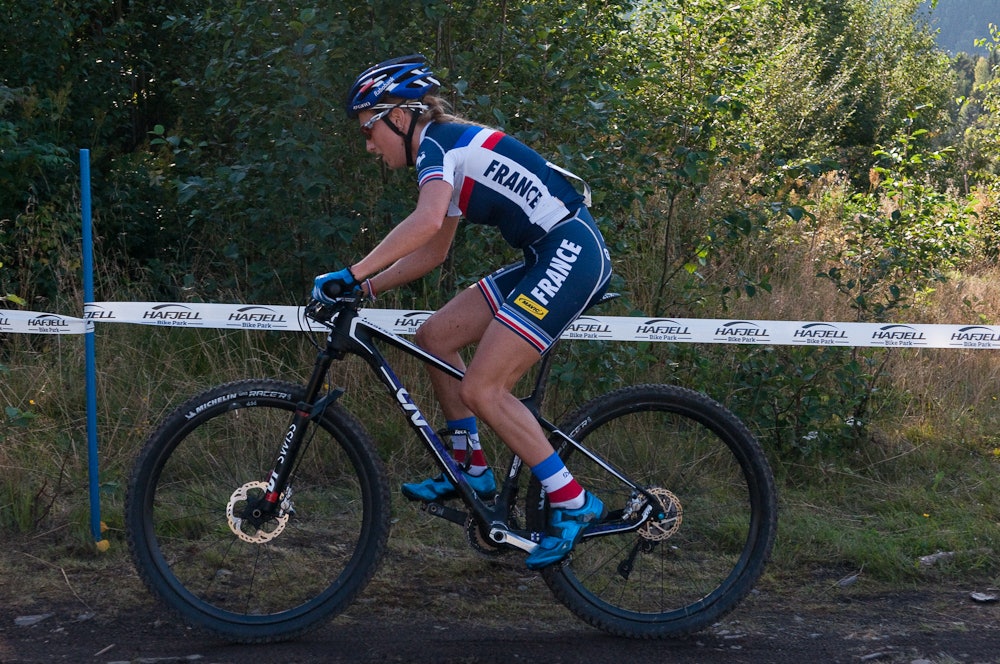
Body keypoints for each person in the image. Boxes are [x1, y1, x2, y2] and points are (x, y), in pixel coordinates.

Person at [313, 54, 612, 569]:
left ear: (400, 116)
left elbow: (425, 223)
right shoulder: (448, 148)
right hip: (545, 254)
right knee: (436, 337)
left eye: (369, 128)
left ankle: (573, 500)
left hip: (570, 253)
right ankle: (472, 468)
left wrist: (353, 271)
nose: (368, 144)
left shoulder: (438, 147)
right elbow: (434, 251)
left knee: (482, 388)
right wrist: (365, 290)